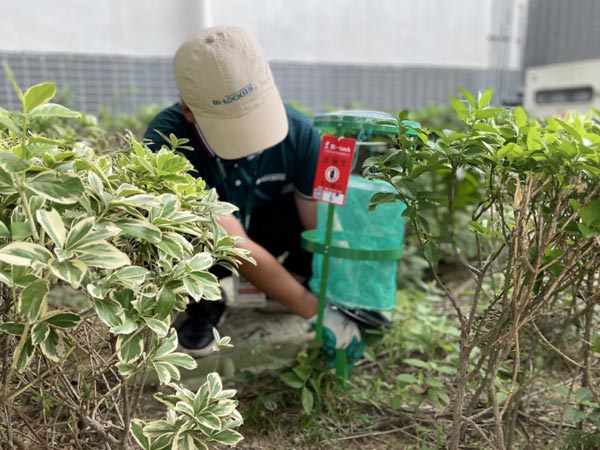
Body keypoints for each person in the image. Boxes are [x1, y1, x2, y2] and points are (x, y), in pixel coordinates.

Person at [144, 26, 364, 364]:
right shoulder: (166, 143)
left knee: (314, 219)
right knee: (182, 238)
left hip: (264, 226)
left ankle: (291, 281)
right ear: (188, 110)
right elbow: (236, 245)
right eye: (232, 126)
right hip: (215, 241)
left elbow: (322, 226)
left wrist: (339, 292)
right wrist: (317, 314)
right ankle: (205, 305)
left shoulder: (300, 134)